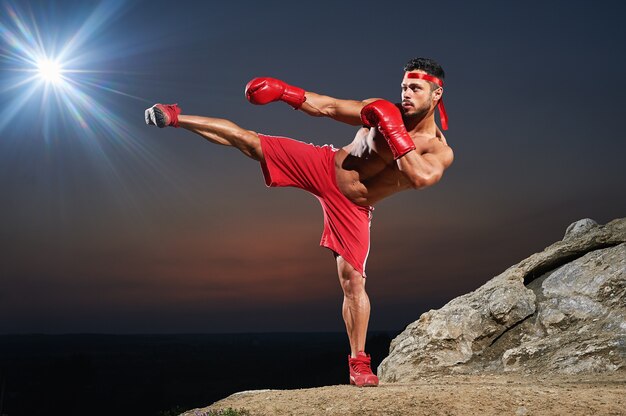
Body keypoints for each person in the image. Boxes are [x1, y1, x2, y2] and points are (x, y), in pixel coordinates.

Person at [145, 57, 454, 387]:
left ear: (436, 95)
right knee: (249, 142)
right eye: (404, 86)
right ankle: (176, 117)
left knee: (353, 281)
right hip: (324, 165)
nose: (406, 94)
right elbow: (329, 107)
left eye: (415, 88)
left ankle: (358, 363)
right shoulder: (377, 109)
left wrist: (393, 131)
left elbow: (421, 177)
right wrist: (284, 92)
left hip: (354, 207)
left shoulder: (438, 149)